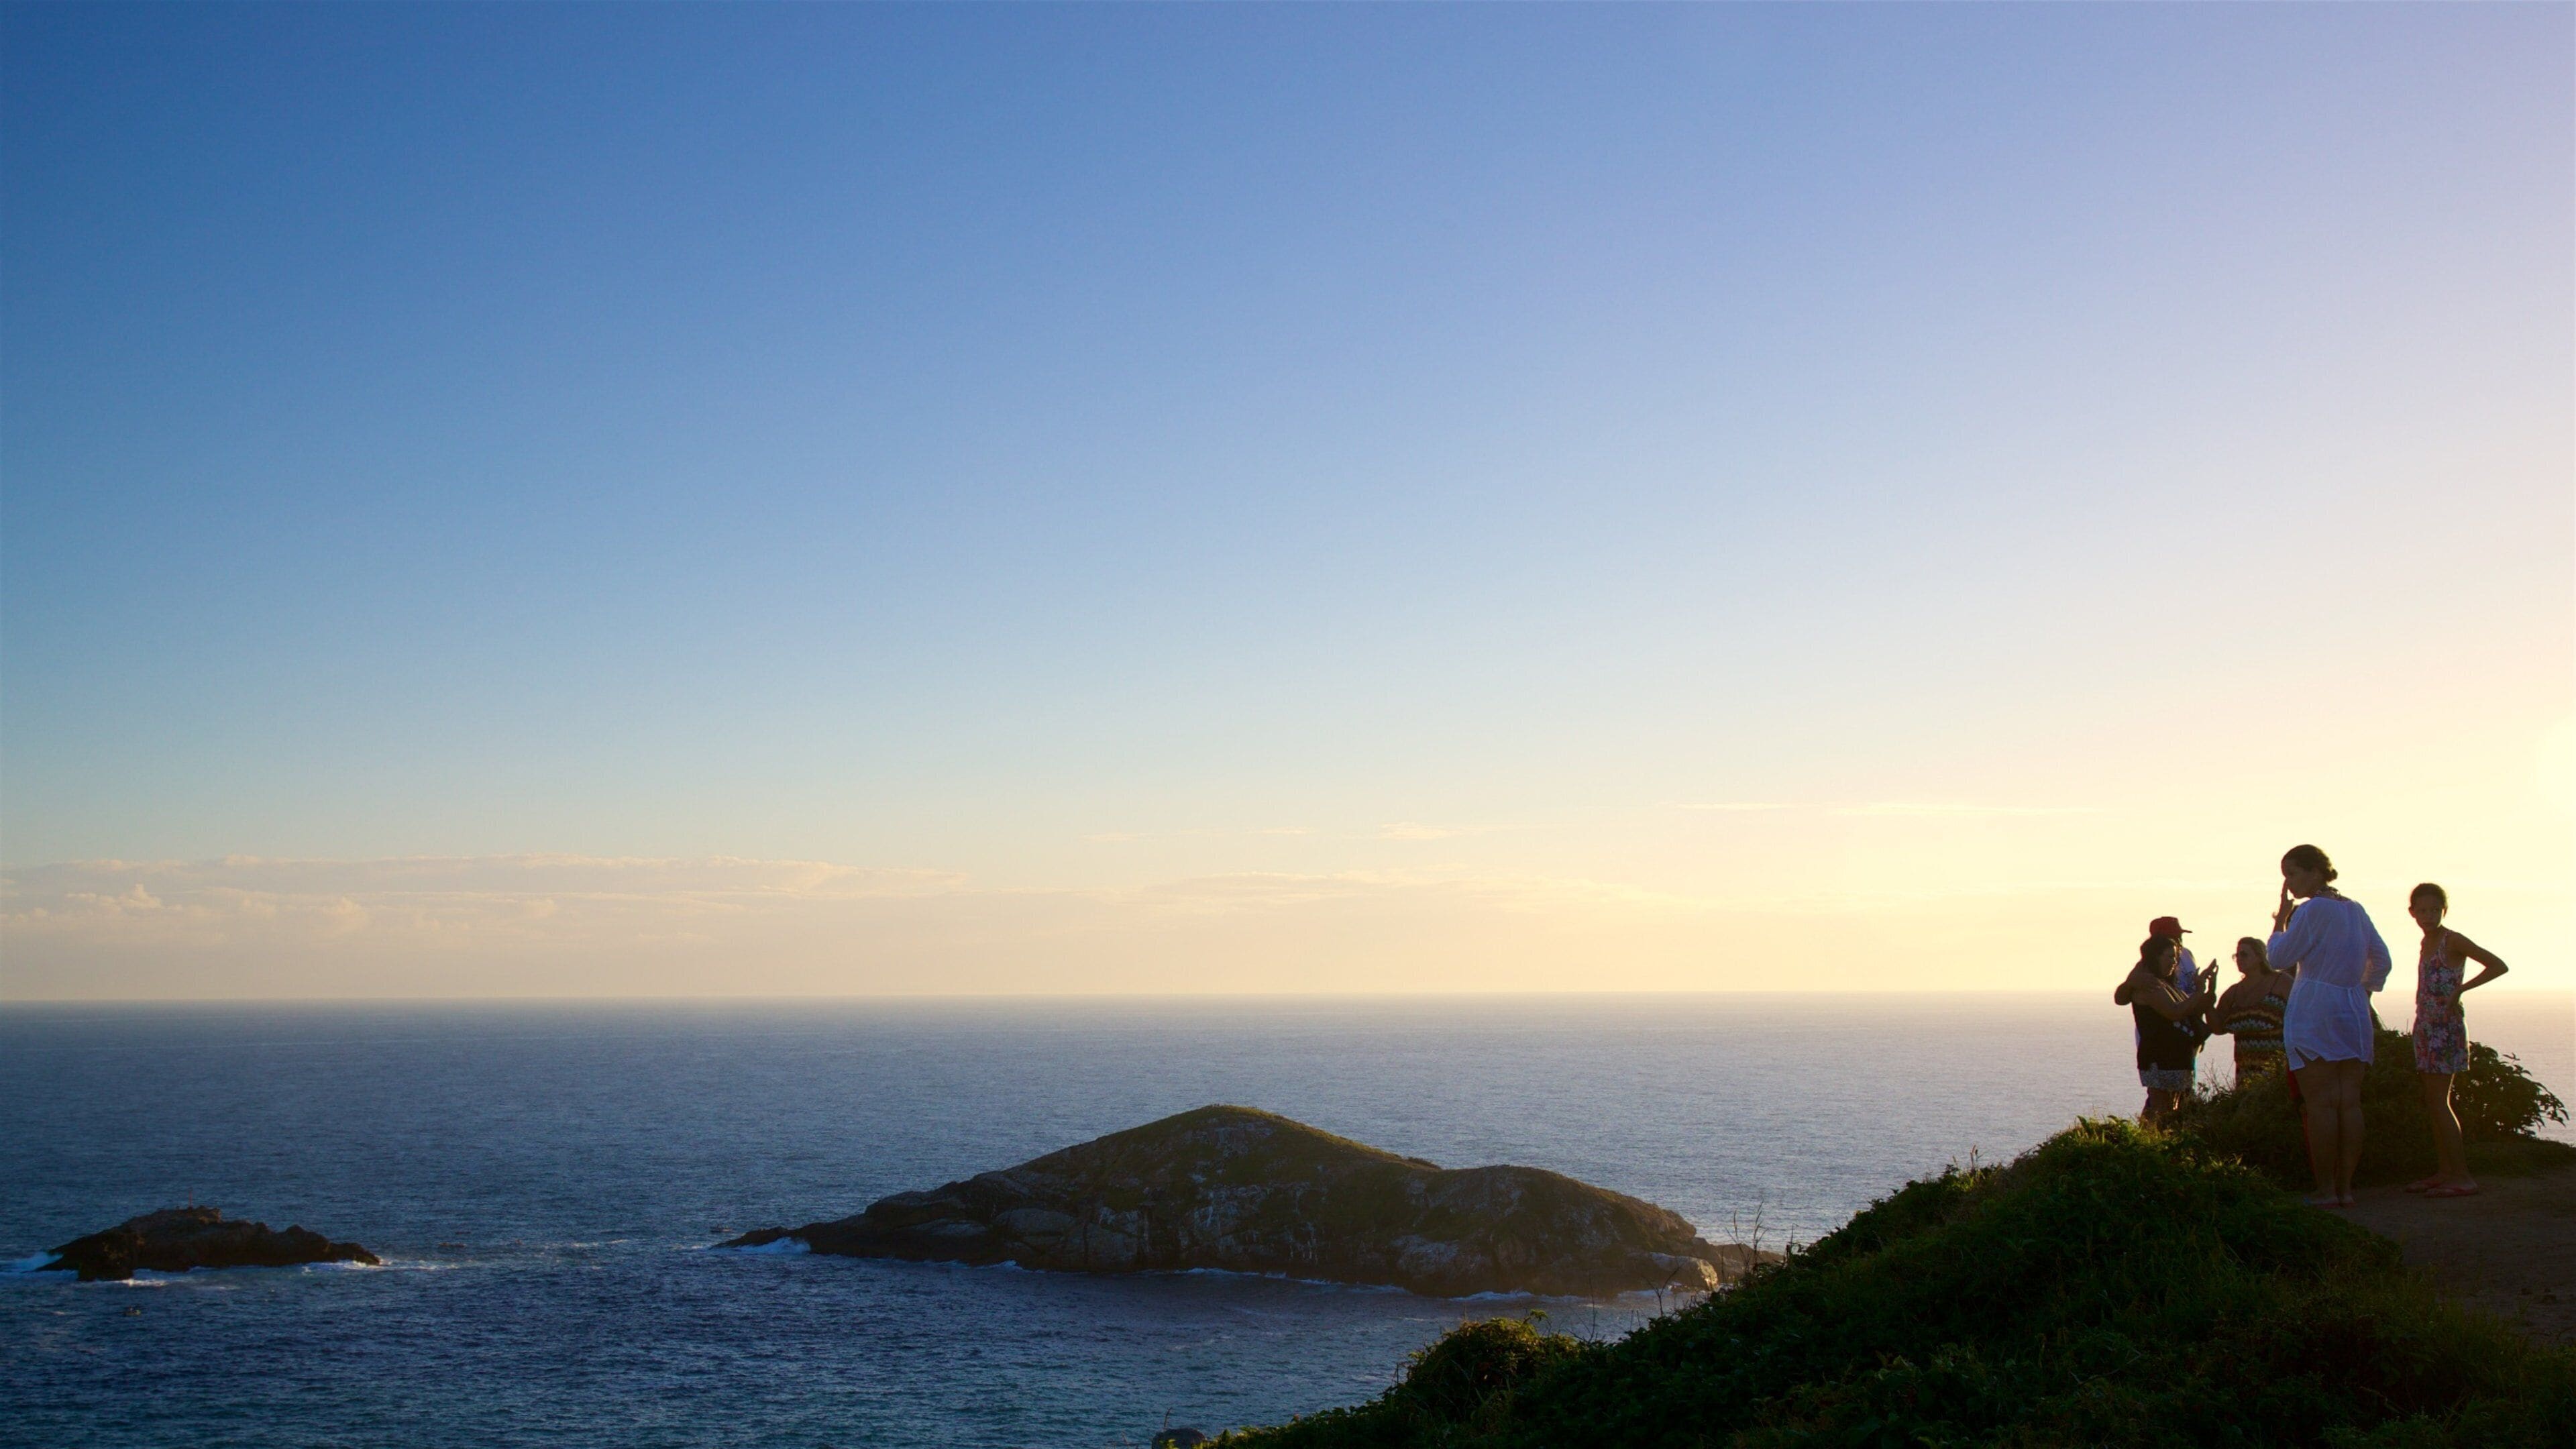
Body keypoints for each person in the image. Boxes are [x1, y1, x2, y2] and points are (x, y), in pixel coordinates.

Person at [2268, 844, 2392, 1208]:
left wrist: (2279, 921)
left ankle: (2326, 1189)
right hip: (2352, 1010)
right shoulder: (2354, 909)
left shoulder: (2311, 911)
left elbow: (2277, 958)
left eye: (2292, 874)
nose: (2289, 884)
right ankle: (2347, 1188)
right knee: (2349, 1104)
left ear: (2315, 872)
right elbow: (2382, 960)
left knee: (2320, 1104)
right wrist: (2361, 992)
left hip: (2314, 1009)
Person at [2404, 882, 2510, 1197]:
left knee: (2440, 1103)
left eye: (2434, 909)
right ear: (2412, 913)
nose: (2428, 915)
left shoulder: (2453, 940)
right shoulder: (2426, 942)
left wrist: (2462, 989)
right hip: (2426, 1028)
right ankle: (2446, 1171)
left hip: (2446, 1030)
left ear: (2444, 910)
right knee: (2433, 1104)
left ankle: (2462, 1176)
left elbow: (2498, 965)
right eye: (2422, 910)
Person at [2114, 934, 2215, 1124]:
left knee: (2171, 1110)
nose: (2175, 962)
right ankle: (2152, 1148)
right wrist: (2200, 991)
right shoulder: (2149, 984)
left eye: (2176, 957)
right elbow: (2174, 1012)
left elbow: (2189, 1008)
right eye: (2170, 957)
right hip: (2160, 1058)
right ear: (2156, 957)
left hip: (2176, 1057)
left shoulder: (2166, 983)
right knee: (2162, 1112)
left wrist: (2206, 989)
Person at [2206, 936, 2292, 1082]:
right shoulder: (2233, 993)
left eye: (2244, 954)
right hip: (2246, 1074)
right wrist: (2208, 995)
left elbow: (2302, 1015)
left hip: (2277, 1071)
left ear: (2260, 957)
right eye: (2237, 955)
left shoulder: (2281, 982)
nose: (2239, 959)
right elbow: (2218, 1028)